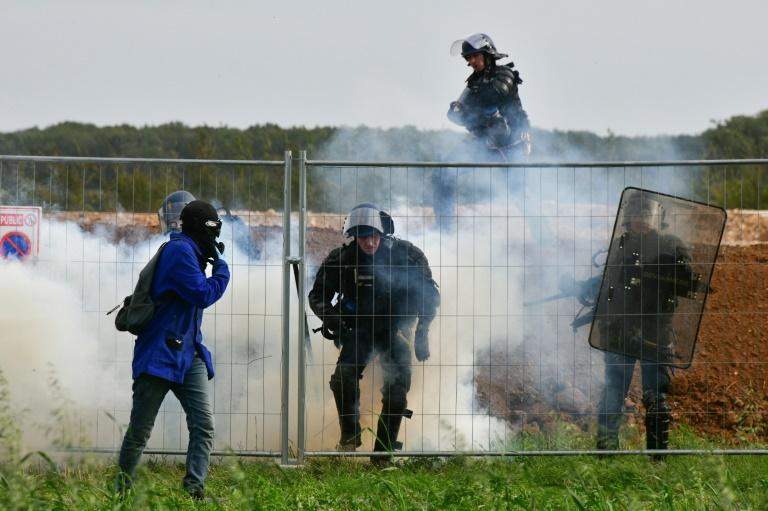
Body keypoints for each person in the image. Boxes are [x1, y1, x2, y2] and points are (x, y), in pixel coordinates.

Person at [116, 200, 229, 498]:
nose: (214, 237)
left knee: (203, 426)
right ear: (196, 228)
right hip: (159, 355)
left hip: (187, 354)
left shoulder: (191, 251)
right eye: (210, 229)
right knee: (139, 432)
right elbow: (201, 294)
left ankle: (194, 491)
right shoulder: (180, 252)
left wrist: (211, 259)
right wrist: (222, 270)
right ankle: (121, 492)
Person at [308, 203, 440, 462]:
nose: (369, 243)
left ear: (383, 234)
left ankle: (383, 454)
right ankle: (349, 437)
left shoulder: (406, 255)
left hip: (396, 330)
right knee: (343, 379)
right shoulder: (342, 259)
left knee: (397, 393)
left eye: (374, 236)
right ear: (354, 237)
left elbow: (429, 296)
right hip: (360, 331)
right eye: (362, 237)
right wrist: (332, 318)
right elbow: (318, 295)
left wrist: (423, 331)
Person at [594, 193, 694, 456]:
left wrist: (676, 268)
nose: (641, 219)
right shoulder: (620, 245)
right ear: (628, 218)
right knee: (613, 392)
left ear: (657, 218)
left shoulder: (671, 245)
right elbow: (606, 285)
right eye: (636, 214)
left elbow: (688, 284)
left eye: (646, 213)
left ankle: (657, 461)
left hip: (656, 332)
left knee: (656, 398)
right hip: (619, 331)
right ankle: (606, 458)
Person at [447, 33, 531, 160]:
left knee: (491, 113)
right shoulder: (474, 82)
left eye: (475, 55)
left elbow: (491, 98)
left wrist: (467, 110)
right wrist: (459, 110)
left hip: (513, 144)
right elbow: (455, 113)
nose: (472, 61)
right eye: (469, 57)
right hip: (485, 143)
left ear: (487, 55)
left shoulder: (505, 73)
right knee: (447, 168)